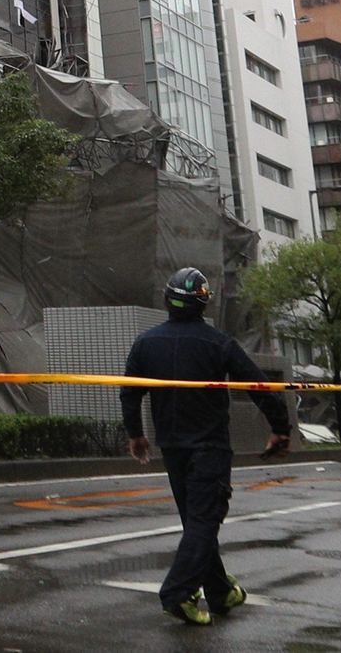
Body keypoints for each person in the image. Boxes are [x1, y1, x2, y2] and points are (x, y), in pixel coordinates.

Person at [121, 266, 292, 627]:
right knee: (203, 520)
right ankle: (178, 593)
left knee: (197, 521)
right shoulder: (219, 343)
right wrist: (280, 428)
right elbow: (259, 386)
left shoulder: (146, 343)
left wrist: (136, 434)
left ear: (167, 300)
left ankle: (219, 591)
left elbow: (130, 391)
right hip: (209, 446)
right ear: (204, 304)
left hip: (172, 446)